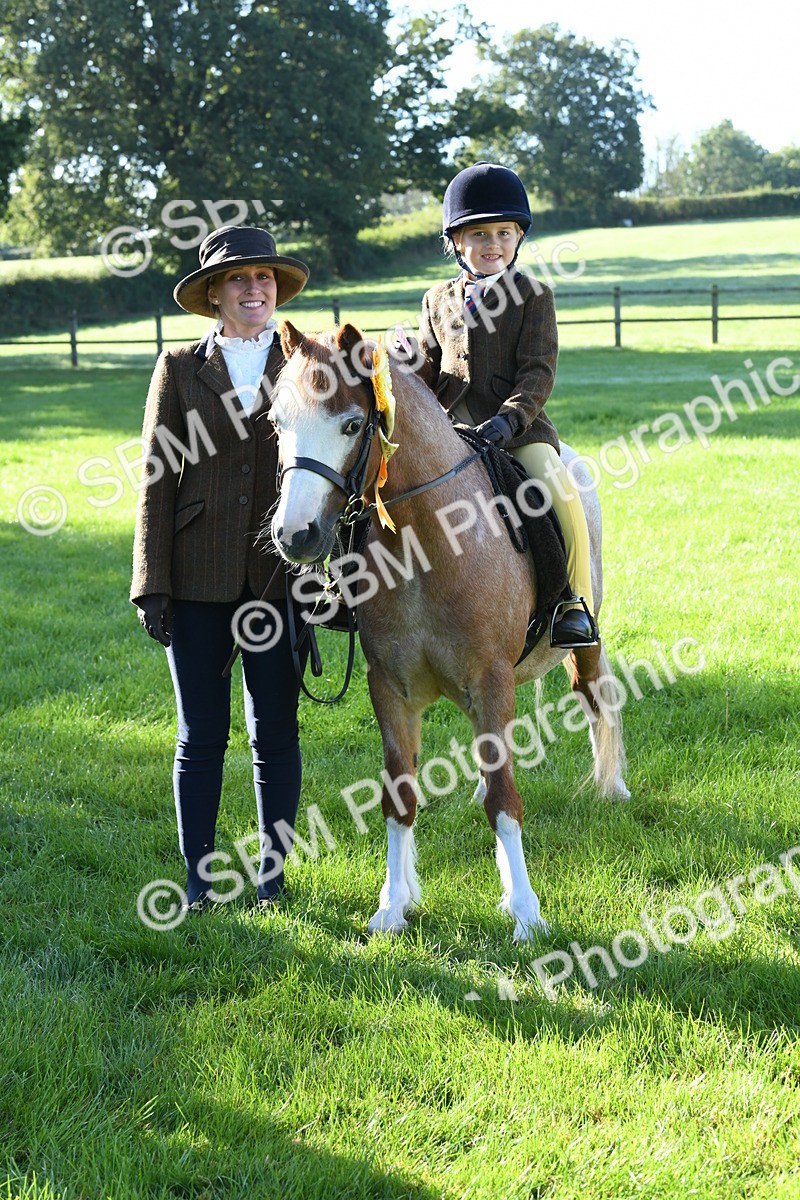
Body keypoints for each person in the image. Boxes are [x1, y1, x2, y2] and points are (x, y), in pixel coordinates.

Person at [130, 225, 310, 909]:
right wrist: (151, 582)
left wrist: (323, 575)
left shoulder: (302, 364)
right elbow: (154, 479)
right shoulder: (179, 367)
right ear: (214, 294)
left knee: (276, 732)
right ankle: (198, 878)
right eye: (239, 279)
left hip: (276, 577)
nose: (255, 289)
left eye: (264, 278)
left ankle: (273, 875)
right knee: (201, 733)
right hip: (197, 575)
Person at [416, 161, 599, 648]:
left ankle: (572, 603)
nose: (492, 243)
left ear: (519, 237)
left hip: (517, 431)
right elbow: (429, 369)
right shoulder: (436, 300)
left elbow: (538, 371)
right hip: (450, 432)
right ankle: (354, 593)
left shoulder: (534, 296)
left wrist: (508, 420)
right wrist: (406, 360)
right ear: (456, 242)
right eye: (479, 233)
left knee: (561, 492)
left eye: (503, 232)